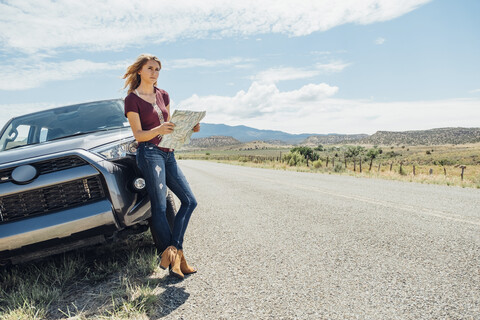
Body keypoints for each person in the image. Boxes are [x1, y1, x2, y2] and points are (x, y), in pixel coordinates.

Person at [123, 54, 200, 279]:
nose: (154, 72)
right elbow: (138, 134)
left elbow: (171, 127)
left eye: (157, 69)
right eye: (150, 68)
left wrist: (188, 128)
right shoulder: (132, 99)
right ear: (139, 71)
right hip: (149, 154)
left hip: (168, 153)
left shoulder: (163, 94)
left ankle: (174, 252)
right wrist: (158, 130)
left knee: (189, 201)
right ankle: (177, 263)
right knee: (159, 207)